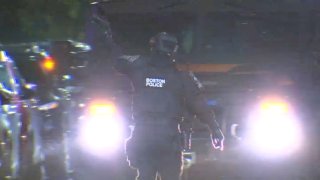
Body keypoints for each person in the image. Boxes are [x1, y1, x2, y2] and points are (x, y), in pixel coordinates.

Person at [114, 32, 224, 180]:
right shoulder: (181, 77)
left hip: (143, 138)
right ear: (173, 51)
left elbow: (117, 60)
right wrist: (215, 129)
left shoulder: (138, 69)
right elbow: (199, 105)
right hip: (169, 140)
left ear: (153, 46)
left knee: (145, 175)